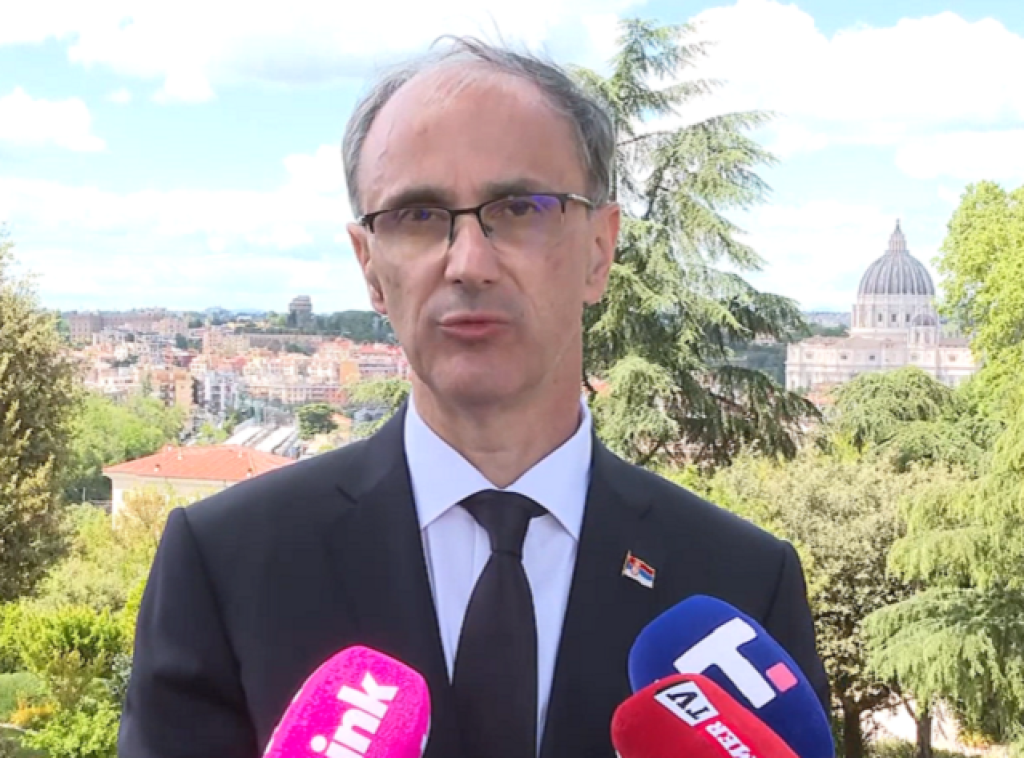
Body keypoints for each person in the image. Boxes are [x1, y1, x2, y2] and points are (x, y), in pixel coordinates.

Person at [118, 37, 828, 758]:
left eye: (519, 208)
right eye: (418, 216)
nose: (468, 263)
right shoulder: (226, 564)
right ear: (369, 267)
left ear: (599, 250)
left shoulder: (741, 588)